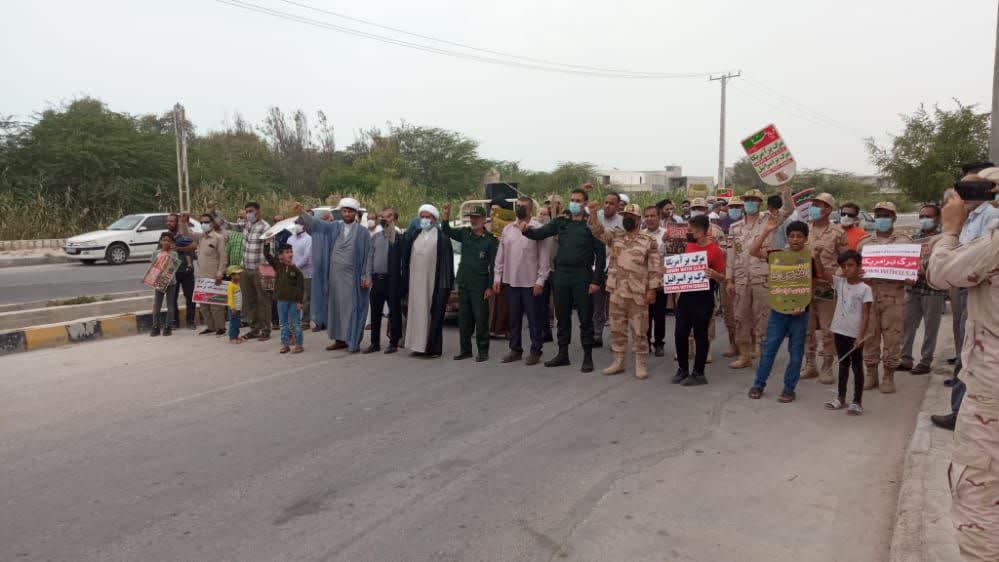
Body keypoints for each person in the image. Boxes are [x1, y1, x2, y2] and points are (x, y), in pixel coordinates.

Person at [926, 185, 999, 561]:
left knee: (979, 498)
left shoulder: (993, 245)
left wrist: (951, 229)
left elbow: (940, 273)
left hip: (992, 396)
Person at [522, 188, 605, 373]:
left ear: (585, 204)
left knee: (585, 318)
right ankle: (562, 354)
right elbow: (540, 233)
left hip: (582, 276)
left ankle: (587, 357)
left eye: (578, 200)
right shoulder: (561, 222)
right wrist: (526, 230)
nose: (574, 203)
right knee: (562, 316)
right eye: (572, 199)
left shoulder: (591, 224)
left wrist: (596, 281)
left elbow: (601, 255)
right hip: (561, 275)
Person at [587, 202, 661, 379]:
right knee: (617, 329)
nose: (627, 219)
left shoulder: (648, 241)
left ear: (638, 219)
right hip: (617, 290)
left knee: (640, 330)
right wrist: (593, 213)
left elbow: (654, 267)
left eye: (631, 217)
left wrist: (652, 289)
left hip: (638, 293)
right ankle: (618, 361)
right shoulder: (615, 236)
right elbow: (597, 232)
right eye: (625, 216)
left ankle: (640, 363)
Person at [746, 221, 818, 403]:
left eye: (799, 236)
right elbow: (753, 251)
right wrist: (765, 231)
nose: (795, 239)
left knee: (795, 353)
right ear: (787, 237)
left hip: (800, 313)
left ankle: (789, 388)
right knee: (769, 350)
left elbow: (813, 283)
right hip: (778, 311)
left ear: (805, 238)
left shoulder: (809, 258)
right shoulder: (777, 255)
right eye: (792, 236)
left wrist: (804, 304)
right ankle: (758, 384)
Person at [726, 188, 792, 369]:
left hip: (762, 276)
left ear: (760, 203)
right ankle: (745, 355)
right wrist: (729, 279)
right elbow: (731, 254)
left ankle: (765, 355)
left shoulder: (769, 220)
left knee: (764, 318)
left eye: (754, 200)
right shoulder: (734, 227)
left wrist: (786, 189)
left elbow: (789, 210)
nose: (750, 203)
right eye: (747, 199)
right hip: (740, 277)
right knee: (740, 316)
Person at [296, 198, 371, 353]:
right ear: (341, 213)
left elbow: (368, 256)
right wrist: (302, 212)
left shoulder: (363, 232)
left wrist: (366, 276)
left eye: (350, 211)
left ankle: (352, 340)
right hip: (334, 276)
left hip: (352, 277)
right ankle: (339, 340)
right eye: (345, 211)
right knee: (335, 308)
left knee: (351, 309)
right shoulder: (335, 227)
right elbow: (317, 225)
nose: (347, 213)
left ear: (355, 213)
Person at [857, 202, 913, 393]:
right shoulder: (864, 244)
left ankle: (888, 375)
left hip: (894, 299)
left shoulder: (905, 242)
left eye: (886, 215)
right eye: (879, 214)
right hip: (869, 297)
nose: (882, 218)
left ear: (894, 218)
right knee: (869, 336)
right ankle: (871, 374)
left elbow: (916, 270)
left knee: (892, 338)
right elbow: (855, 270)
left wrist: (911, 276)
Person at [670, 215, 726, 386]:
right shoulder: (689, 246)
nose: (689, 232)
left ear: (702, 231)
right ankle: (682, 369)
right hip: (686, 294)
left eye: (691, 230)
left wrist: (713, 274)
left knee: (701, 334)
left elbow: (722, 277)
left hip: (704, 296)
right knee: (680, 332)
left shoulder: (715, 250)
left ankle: (699, 373)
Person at [494, 197, 551, 365]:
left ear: (531, 209)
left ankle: (535, 351)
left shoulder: (539, 229)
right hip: (512, 282)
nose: (519, 209)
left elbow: (544, 257)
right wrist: (497, 277)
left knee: (534, 319)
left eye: (523, 206)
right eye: (517, 206)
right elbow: (501, 255)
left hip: (531, 283)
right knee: (514, 318)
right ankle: (515, 349)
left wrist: (541, 280)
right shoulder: (508, 229)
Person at [802, 193, 849, 384]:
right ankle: (810, 364)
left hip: (827, 287)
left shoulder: (838, 233)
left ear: (828, 209)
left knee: (829, 329)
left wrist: (835, 276)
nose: (813, 207)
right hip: (805, 287)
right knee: (807, 329)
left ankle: (827, 366)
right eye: (813, 204)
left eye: (818, 205)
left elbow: (846, 261)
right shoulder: (804, 230)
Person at [442, 204, 498, 362]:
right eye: (471, 218)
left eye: (477, 218)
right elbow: (447, 231)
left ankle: (483, 350)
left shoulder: (490, 240)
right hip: (464, 282)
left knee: (480, 318)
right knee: (464, 319)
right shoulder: (465, 233)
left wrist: (490, 286)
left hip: (480, 284)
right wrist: (446, 215)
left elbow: (493, 265)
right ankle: (465, 349)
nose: (473, 220)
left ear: (483, 220)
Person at [210, 202, 272, 340]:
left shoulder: (265, 227)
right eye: (247, 211)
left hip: (260, 270)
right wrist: (214, 212)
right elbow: (227, 225)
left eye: (251, 211)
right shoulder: (246, 225)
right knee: (250, 301)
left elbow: (270, 251)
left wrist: (267, 271)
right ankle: (255, 329)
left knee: (263, 301)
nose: (248, 213)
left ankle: (266, 330)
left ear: (258, 211)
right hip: (245, 269)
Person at [823, 250, 873, 415]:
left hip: (855, 335)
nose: (847, 269)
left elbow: (866, 314)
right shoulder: (840, 283)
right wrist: (816, 258)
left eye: (850, 265)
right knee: (843, 364)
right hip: (839, 330)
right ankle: (840, 398)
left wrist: (860, 335)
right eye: (843, 266)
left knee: (857, 366)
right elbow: (824, 274)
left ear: (859, 266)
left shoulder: (865, 289)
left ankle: (857, 402)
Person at [402, 204, 454, 358]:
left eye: (428, 217)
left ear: (435, 219)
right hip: (415, 284)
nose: (425, 220)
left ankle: (432, 348)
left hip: (433, 285)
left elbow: (447, 266)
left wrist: (446, 288)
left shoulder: (442, 239)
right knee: (416, 313)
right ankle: (417, 346)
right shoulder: (414, 235)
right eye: (422, 217)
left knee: (433, 315)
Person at [899, 204, 945, 375]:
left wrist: (921, 270)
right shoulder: (913, 238)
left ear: (937, 218)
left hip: (934, 290)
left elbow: (942, 263)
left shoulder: (943, 239)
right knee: (907, 325)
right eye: (922, 216)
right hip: (913, 289)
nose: (925, 219)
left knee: (931, 328)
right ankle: (905, 359)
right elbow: (905, 260)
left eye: (929, 216)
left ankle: (925, 361)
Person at [179, 212, 228, 336]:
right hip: (201, 276)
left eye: (206, 222)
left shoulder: (218, 238)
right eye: (201, 222)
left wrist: (220, 273)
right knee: (204, 305)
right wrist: (184, 222)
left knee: (216, 305)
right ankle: (210, 327)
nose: (203, 224)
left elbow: (223, 257)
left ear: (212, 223)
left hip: (214, 275)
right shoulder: (201, 237)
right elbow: (187, 234)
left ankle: (220, 327)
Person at [364, 207, 404, 354]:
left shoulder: (399, 238)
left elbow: (403, 262)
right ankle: (374, 343)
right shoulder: (375, 237)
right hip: (377, 280)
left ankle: (393, 342)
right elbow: (369, 258)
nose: (384, 219)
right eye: (382, 216)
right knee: (375, 313)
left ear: (394, 219)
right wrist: (368, 277)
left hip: (392, 281)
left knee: (394, 312)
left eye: (388, 216)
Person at [592, 192, 623, 348]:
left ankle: (615, 339)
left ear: (618, 206)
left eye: (611, 203)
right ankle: (597, 335)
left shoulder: (622, 222)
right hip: (597, 267)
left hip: (614, 268)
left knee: (614, 306)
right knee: (597, 304)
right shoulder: (596, 216)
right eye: (606, 202)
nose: (607, 205)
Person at [264, 242, 305, 354]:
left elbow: (300, 287)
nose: (290, 254)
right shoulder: (278, 266)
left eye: (291, 252)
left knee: (295, 323)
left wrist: (299, 301)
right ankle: (285, 344)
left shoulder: (296, 271)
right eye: (287, 252)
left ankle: (298, 344)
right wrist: (267, 243)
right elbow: (267, 255)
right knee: (283, 323)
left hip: (293, 301)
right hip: (281, 300)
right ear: (280, 256)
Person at [718, 196, 744, 358]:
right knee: (729, 313)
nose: (735, 209)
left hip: (745, 274)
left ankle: (748, 346)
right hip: (726, 274)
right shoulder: (721, 225)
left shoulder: (753, 226)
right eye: (732, 206)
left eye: (738, 206)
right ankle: (733, 344)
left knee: (746, 312)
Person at [643, 205, 668, 357]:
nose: (650, 219)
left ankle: (659, 343)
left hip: (661, 281)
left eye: (653, 216)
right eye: (647, 216)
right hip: (644, 282)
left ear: (659, 217)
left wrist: (666, 243)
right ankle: (645, 342)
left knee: (659, 315)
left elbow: (674, 254)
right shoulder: (640, 234)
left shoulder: (667, 234)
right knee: (645, 315)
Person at [166, 213, 198, 329]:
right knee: (172, 298)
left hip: (186, 271)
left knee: (190, 297)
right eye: (168, 221)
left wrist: (179, 248)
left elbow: (194, 245)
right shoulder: (165, 236)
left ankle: (190, 321)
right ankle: (174, 321)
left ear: (177, 222)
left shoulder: (184, 233)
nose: (169, 223)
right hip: (171, 272)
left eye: (171, 221)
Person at [148, 232, 180, 337]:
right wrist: (150, 279)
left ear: (171, 243)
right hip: (159, 282)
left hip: (171, 282)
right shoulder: (155, 253)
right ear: (161, 241)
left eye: (168, 240)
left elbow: (174, 267)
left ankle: (167, 327)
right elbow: (153, 267)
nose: (166, 242)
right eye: (164, 240)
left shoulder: (174, 254)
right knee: (157, 305)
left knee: (170, 305)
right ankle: (155, 327)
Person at [288, 219, 313, 329]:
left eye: (299, 224)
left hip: (306, 273)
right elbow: (286, 253)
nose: (296, 226)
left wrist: (296, 267)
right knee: (293, 296)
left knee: (306, 298)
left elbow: (307, 257)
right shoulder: (290, 238)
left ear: (304, 226)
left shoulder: (309, 239)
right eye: (295, 223)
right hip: (292, 272)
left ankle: (305, 321)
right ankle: (294, 319)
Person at [225, 265, 243, 343]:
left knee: (237, 323)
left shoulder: (238, 284)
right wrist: (232, 308)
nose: (239, 276)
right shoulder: (231, 286)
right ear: (232, 275)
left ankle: (236, 336)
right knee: (233, 323)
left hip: (238, 308)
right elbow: (230, 298)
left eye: (239, 274)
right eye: (237, 274)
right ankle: (232, 338)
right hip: (233, 309)